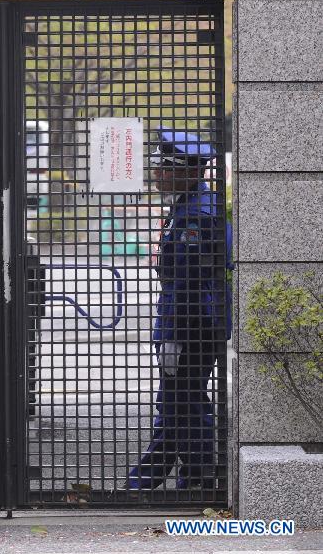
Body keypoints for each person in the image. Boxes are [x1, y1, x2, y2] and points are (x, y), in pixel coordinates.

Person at [122, 128, 231, 491]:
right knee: (180, 401)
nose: (155, 173)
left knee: (180, 404)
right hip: (191, 322)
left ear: (184, 170)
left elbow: (187, 282)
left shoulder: (196, 215)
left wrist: (172, 337)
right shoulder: (192, 205)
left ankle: (195, 480)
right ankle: (162, 478)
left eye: (162, 167)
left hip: (189, 325)